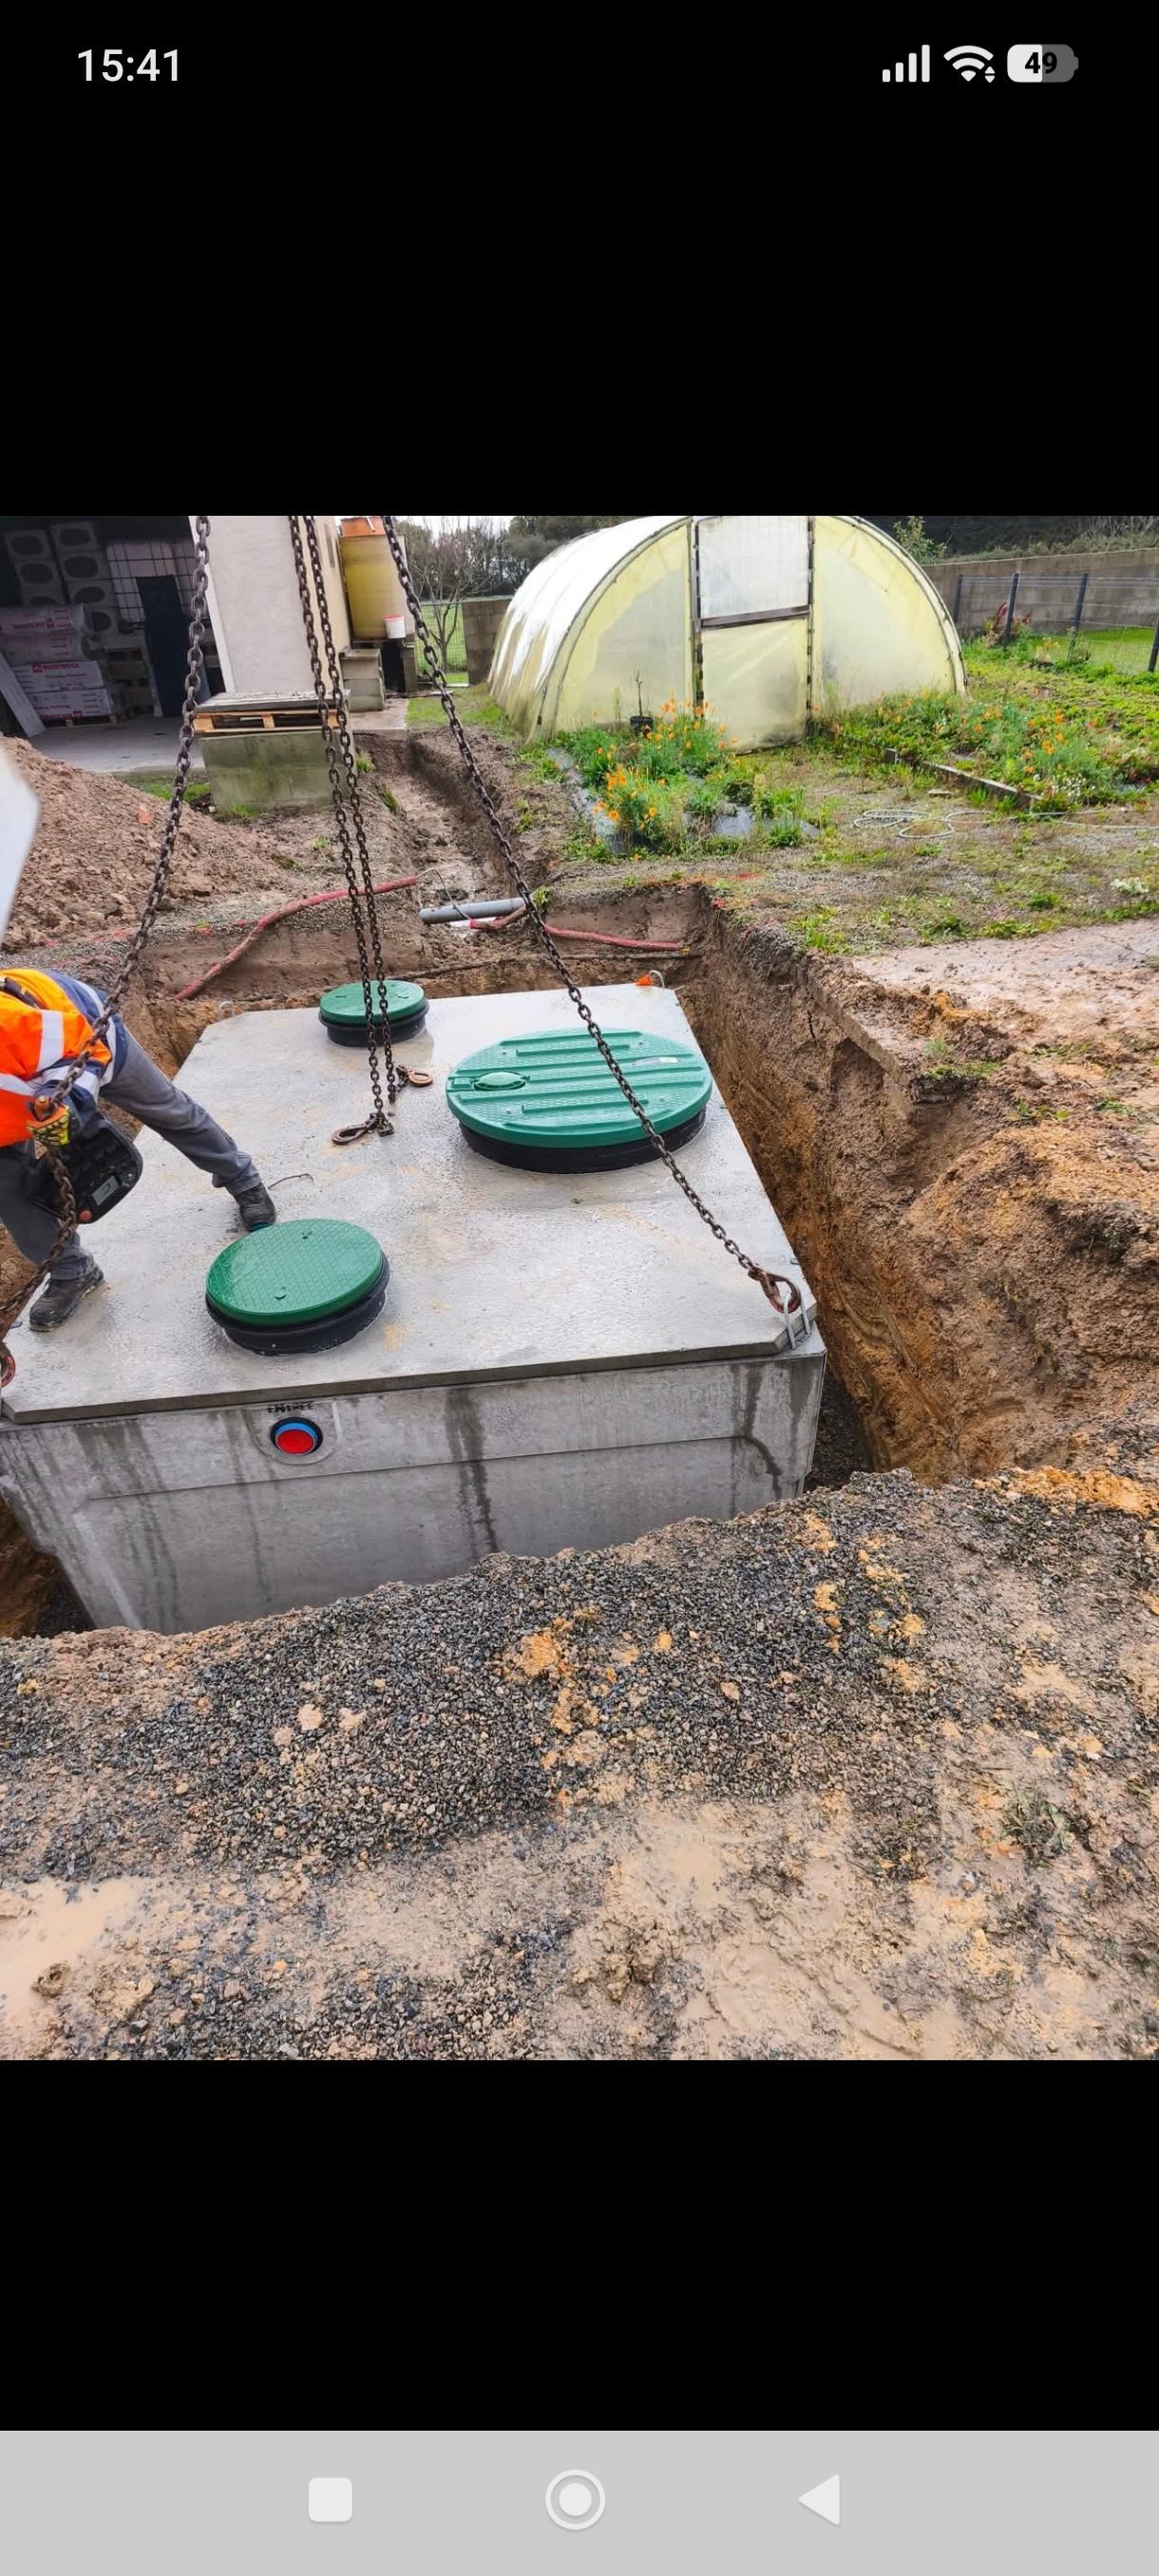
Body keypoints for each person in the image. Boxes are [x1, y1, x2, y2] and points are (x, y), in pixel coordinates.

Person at [0, 966, 276, 1333]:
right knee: (6, 1187)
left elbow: (81, 1049)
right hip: (15, 1097)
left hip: (82, 1035)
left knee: (167, 1110)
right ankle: (72, 1271)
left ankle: (242, 1178)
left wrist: (68, 1101)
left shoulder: (7, 1024)